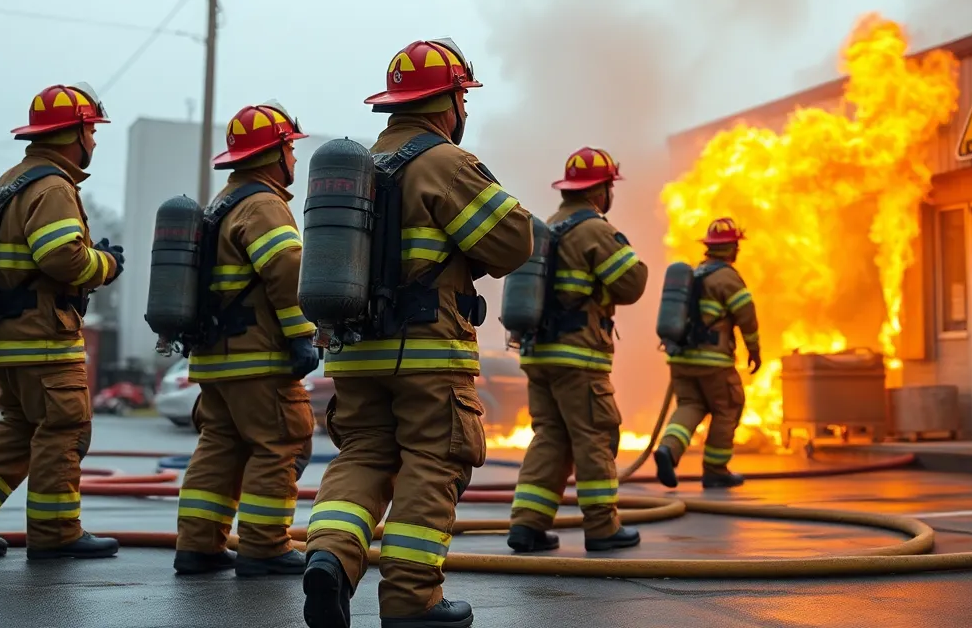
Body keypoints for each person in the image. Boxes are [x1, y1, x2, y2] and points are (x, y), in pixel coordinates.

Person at [302, 38, 533, 628]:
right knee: (435, 460)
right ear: (450, 100)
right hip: (427, 352)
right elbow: (511, 244)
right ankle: (411, 600)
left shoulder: (360, 167)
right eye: (463, 98)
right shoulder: (445, 164)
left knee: (364, 456)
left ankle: (330, 555)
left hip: (354, 355)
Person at [0, 83, 123, 560]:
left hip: (5, 337)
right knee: (65, 428)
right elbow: (62, 257)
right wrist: (108, 264)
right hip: (42, 338)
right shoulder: (53, 187)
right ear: (73, 133)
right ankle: (57, 534)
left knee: (20, 424)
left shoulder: (12, 180)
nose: (94, 142)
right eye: (91, 131)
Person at [173, 101, 319, 578]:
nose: (293, 160)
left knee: (219, 447)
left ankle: (197, 546)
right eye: (290, 151)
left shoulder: (222, 203)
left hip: (215, 359)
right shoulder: (263, 204)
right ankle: (264, 546)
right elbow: (286, 269)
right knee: (280, 442)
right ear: (274, 153)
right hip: (257, 356)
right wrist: (302, 335)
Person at [505, 147, 649, 554]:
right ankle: (603, 527)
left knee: (551, 437)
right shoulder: (594, 231)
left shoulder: (548, 225)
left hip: (538, 355)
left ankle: (527, 525)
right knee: (594, 435)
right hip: (578, 357)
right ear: (600, 190)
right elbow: (632, 283)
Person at [653, 217, 761, 489]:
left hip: (680, 358)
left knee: (690, 406)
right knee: (728, 408)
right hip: (713, 361)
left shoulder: (696, 274)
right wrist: (754, 350)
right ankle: (715, 470)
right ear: (733, 248)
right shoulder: (728, 278)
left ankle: (668, 448)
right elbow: (747, 317)